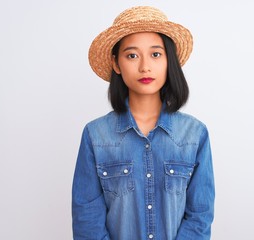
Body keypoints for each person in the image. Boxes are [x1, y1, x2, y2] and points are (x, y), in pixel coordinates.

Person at [72, 6, 215, 240]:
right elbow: (87, 219)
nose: (145, 66)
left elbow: (200, 216)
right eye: (132, 55)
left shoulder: (194, 134)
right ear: (116, 64)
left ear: (170, 61)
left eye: (156, 54)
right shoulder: (96, 136)